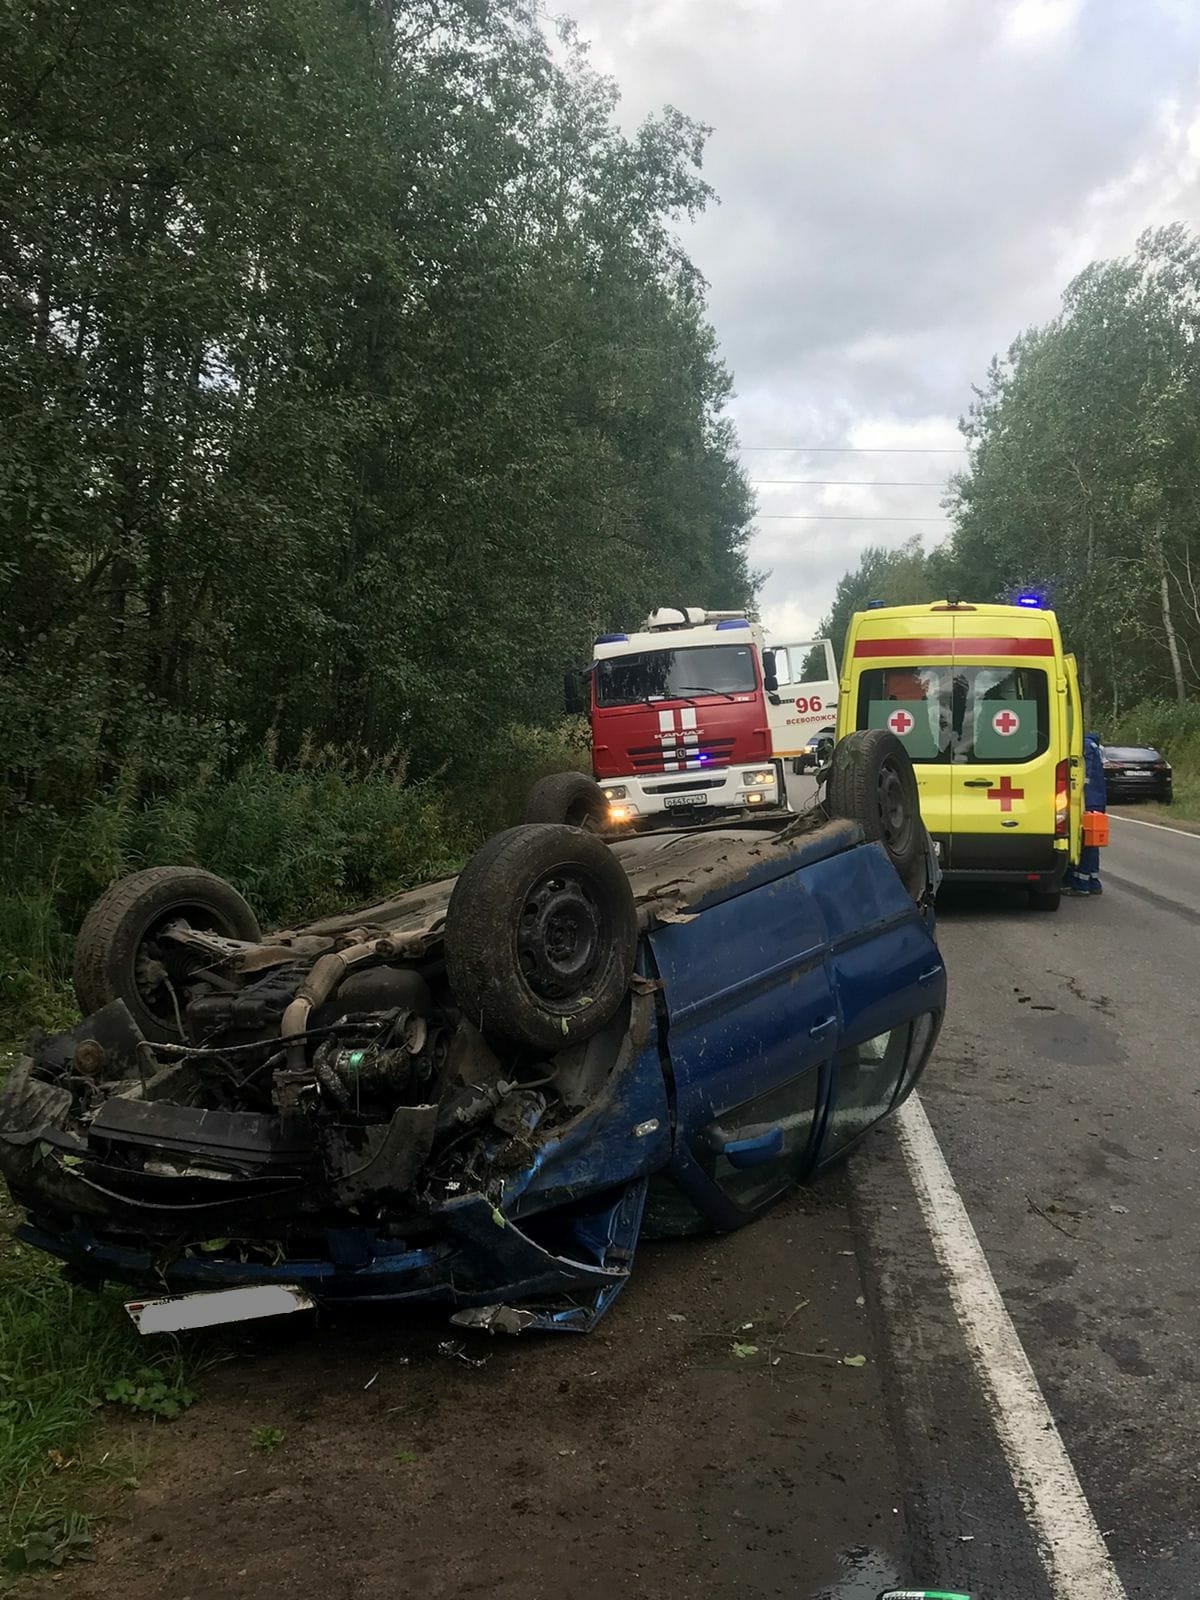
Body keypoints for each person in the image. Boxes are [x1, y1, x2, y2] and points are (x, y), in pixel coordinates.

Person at [1063, 731, 1106, 896]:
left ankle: (1080, 884)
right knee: (1092, 843)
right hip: (1097, 800)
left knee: (1083, 843)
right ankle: (1093, 881)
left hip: (1087, 801)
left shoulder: (1085, 746)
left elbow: (1082, 776)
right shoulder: (1094, 745)